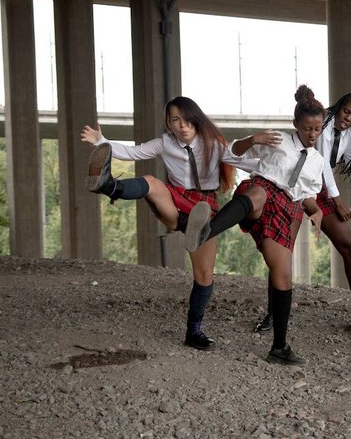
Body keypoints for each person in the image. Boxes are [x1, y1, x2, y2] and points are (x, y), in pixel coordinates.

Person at [81, 96, 237, 351]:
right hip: (174, 202)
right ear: (168, 123)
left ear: (196, 120)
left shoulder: (215, 145)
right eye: (175, 120)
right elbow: (133, 152)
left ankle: (193, 331)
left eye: (186, 120)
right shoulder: (165, 143)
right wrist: (101, 141)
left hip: (203, 208)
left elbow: (243, 159)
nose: (182, 125)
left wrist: (269, 161)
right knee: (152, 183)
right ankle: (109, 186)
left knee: (204, 276)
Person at [185, 85, 325, 366]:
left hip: (287, 208)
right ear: (296, 124)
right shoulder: (278, 140)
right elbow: (233, 152)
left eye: (317, 129)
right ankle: (205, 231)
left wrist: (317, 211)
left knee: (283, 276)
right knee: (258, 194)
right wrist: (252, 139)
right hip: (263, 191)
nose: (312, 134)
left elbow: (307, 194)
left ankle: (279, 347)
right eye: (308, 128)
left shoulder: (318, 161)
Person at [253, 93, 351, 335]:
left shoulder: (349, 138)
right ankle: (273, 314)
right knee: (283, 250)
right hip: (295, 184)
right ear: (338, 107)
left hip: (321, 191)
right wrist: (338, 202)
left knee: (349, 248)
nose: (348, 118)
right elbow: (322, 164)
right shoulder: (321, 124)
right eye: (346, 111)